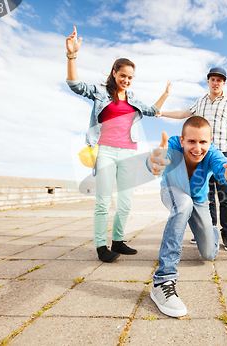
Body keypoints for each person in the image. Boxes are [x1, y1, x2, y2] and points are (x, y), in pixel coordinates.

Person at [65, 26, 171, 263]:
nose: (126, 80)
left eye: (131, 77)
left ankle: (118, 241)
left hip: (129, 153)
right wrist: (72, 56)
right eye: (123, 75)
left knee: (125, 202)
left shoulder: (132, 99)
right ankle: (101, 246)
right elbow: (75, 85)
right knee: (103, 201)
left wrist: (165, 93)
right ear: (114, 72)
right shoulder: (100, 92)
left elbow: (153, 111)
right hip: (106, 151)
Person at [147, 116, 227, 317]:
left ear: (210, 142)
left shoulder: (212, 153)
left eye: (203, 142)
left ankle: (209, 231)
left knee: (209, 254)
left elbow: (224, 171)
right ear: (182, 140)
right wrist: (153, 161)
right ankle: (163, 280)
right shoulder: (172, 145)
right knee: (183, 204)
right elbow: (156, 158)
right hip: (173, 190)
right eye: (192, 141)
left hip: (200, 200)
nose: (197, 148)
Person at [157, 67, 227, 251]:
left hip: (221, 154)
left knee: (225, 196)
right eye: (213, 79)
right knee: (206, 196)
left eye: (220, 80)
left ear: (223, 83)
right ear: (208, 81)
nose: (216, 83)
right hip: (199, 155)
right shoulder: (200, 102)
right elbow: (183, 114)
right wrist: (164, 113)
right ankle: (207, 230)